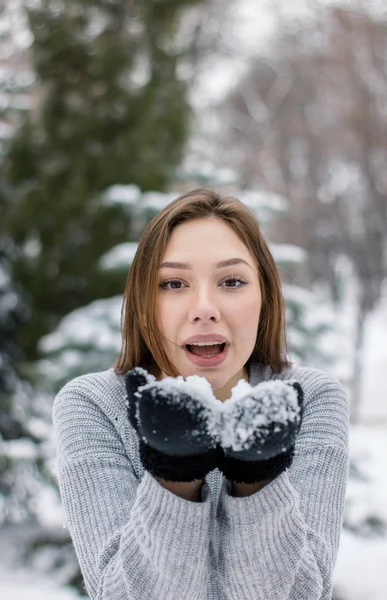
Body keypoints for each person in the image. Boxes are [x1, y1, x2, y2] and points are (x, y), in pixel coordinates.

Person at [53, 188, 349, 600]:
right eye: (173, 283)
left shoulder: (308, 399)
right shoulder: (93, 405)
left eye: (232, 281)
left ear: (264, 296)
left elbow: (303, 593)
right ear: (142, 302)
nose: (204, 307)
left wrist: (256, 480)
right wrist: (174, 475)